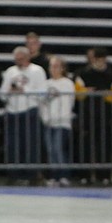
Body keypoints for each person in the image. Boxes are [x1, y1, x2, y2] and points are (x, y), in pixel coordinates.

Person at [0, 45, 46, 168]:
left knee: (30, 144)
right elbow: (2, 94)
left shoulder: (37, 70)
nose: (19, 61)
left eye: (21, 58)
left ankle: (31, 174)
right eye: (17, 59)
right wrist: (9, 91)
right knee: (12, 145)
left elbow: (42, 93)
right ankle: (14, 173)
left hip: (29, 111)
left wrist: (24, 89)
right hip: (12, 112)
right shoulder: (10, 71)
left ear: (27, 57)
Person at [39, 56, 74, 186]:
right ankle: (54, 176)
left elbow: (68, 103)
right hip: (49, 122)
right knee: (50, 150)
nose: (53, 69)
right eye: (51, 66)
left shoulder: (67, 83)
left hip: (62, 122)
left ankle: (64, 175)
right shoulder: (46, 84)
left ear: (62, 68)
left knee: (59, 149)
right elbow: (42, 103)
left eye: (56, 66)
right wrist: (45, 118)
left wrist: (62, 117)